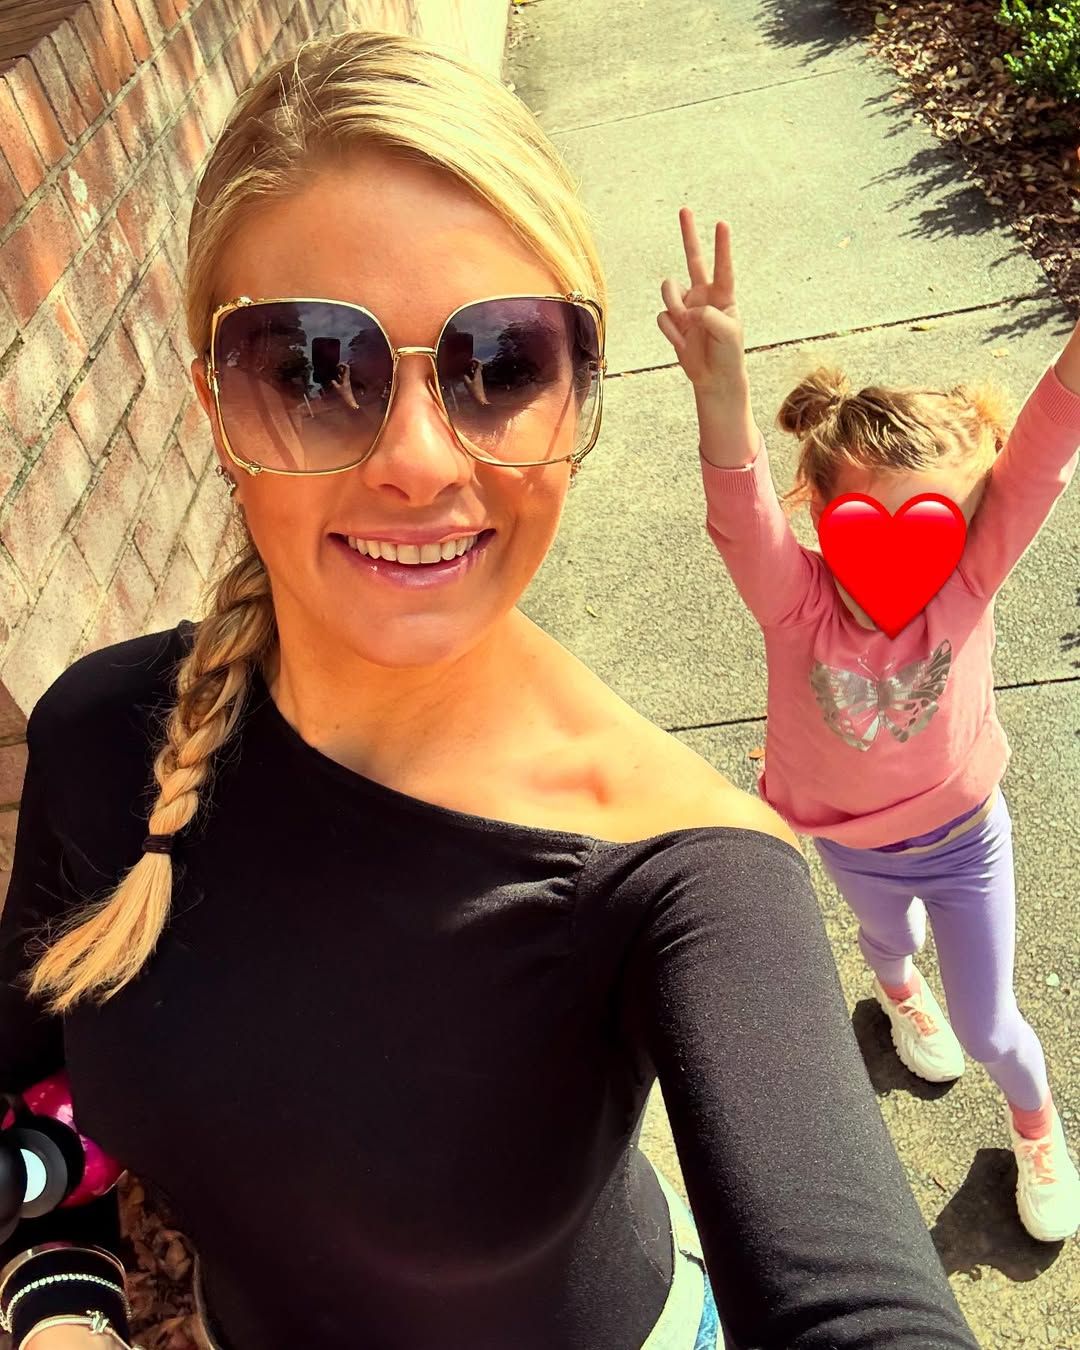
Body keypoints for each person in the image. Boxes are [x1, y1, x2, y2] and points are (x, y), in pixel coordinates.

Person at [0, 30, 984, 1350]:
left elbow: (857, 1306)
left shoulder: (688, 872)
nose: (418, 459)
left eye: (503, 363)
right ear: (217, 409)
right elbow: (35, 1103)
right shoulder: (98, 740)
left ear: (575, 395)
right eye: (312, 368)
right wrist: (58, 1309)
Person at [658, 206, 1080, 1248]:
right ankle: (897, 994)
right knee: (888, 943)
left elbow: (1036, 460)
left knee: (989, 1023)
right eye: (874, 525)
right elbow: (739, 515)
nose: (913, 562)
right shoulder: (794, 604)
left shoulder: (968, 582)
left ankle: (1037, 1128)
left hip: (967, 846)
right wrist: (721, 389)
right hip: (852, 847)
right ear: (819, 508)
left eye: (941, 530)